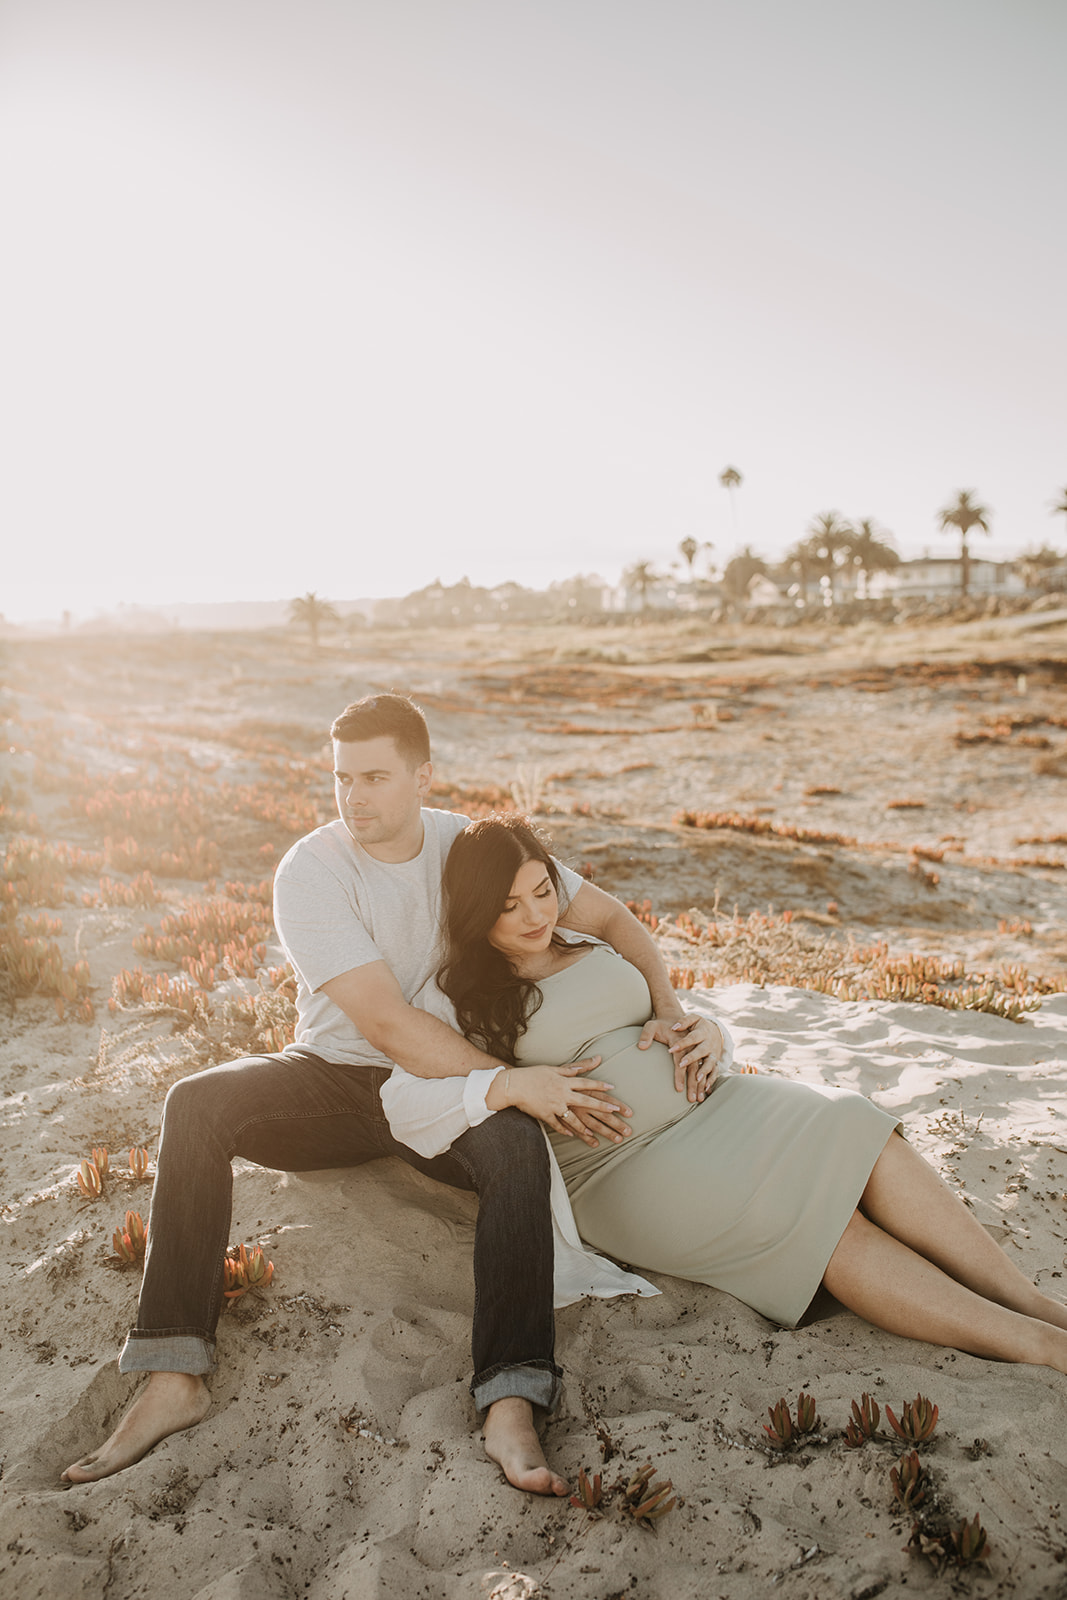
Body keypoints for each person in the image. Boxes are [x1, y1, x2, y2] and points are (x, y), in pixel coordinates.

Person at [62, 695, 724, 1493]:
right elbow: (381, 1023)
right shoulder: (313, 868)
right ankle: (174, 1374)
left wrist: (671, 1009)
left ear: (423, 777)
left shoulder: (468, 848)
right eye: (342, 778)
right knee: (195, 1104)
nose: (355, 798)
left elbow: (611, 916)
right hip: (336, 1081)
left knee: (514, 1145)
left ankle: (511, 1396)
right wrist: (507, 1080)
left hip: (455, 1079)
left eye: (375, 777)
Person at [384, 813, 1067, 1374]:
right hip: (623, 1167)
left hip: (718, 1106)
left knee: (853, 1126)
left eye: (540, 890)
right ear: (476, 914)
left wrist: (704, 1030)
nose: (533, 914)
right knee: (823, 1226)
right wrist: (508, 1085)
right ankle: (1035, 1346)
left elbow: (663, 1012)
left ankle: (1025, 1299)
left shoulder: (581, 943)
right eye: (507, 906)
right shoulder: (457, 998)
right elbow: (405, 1097)